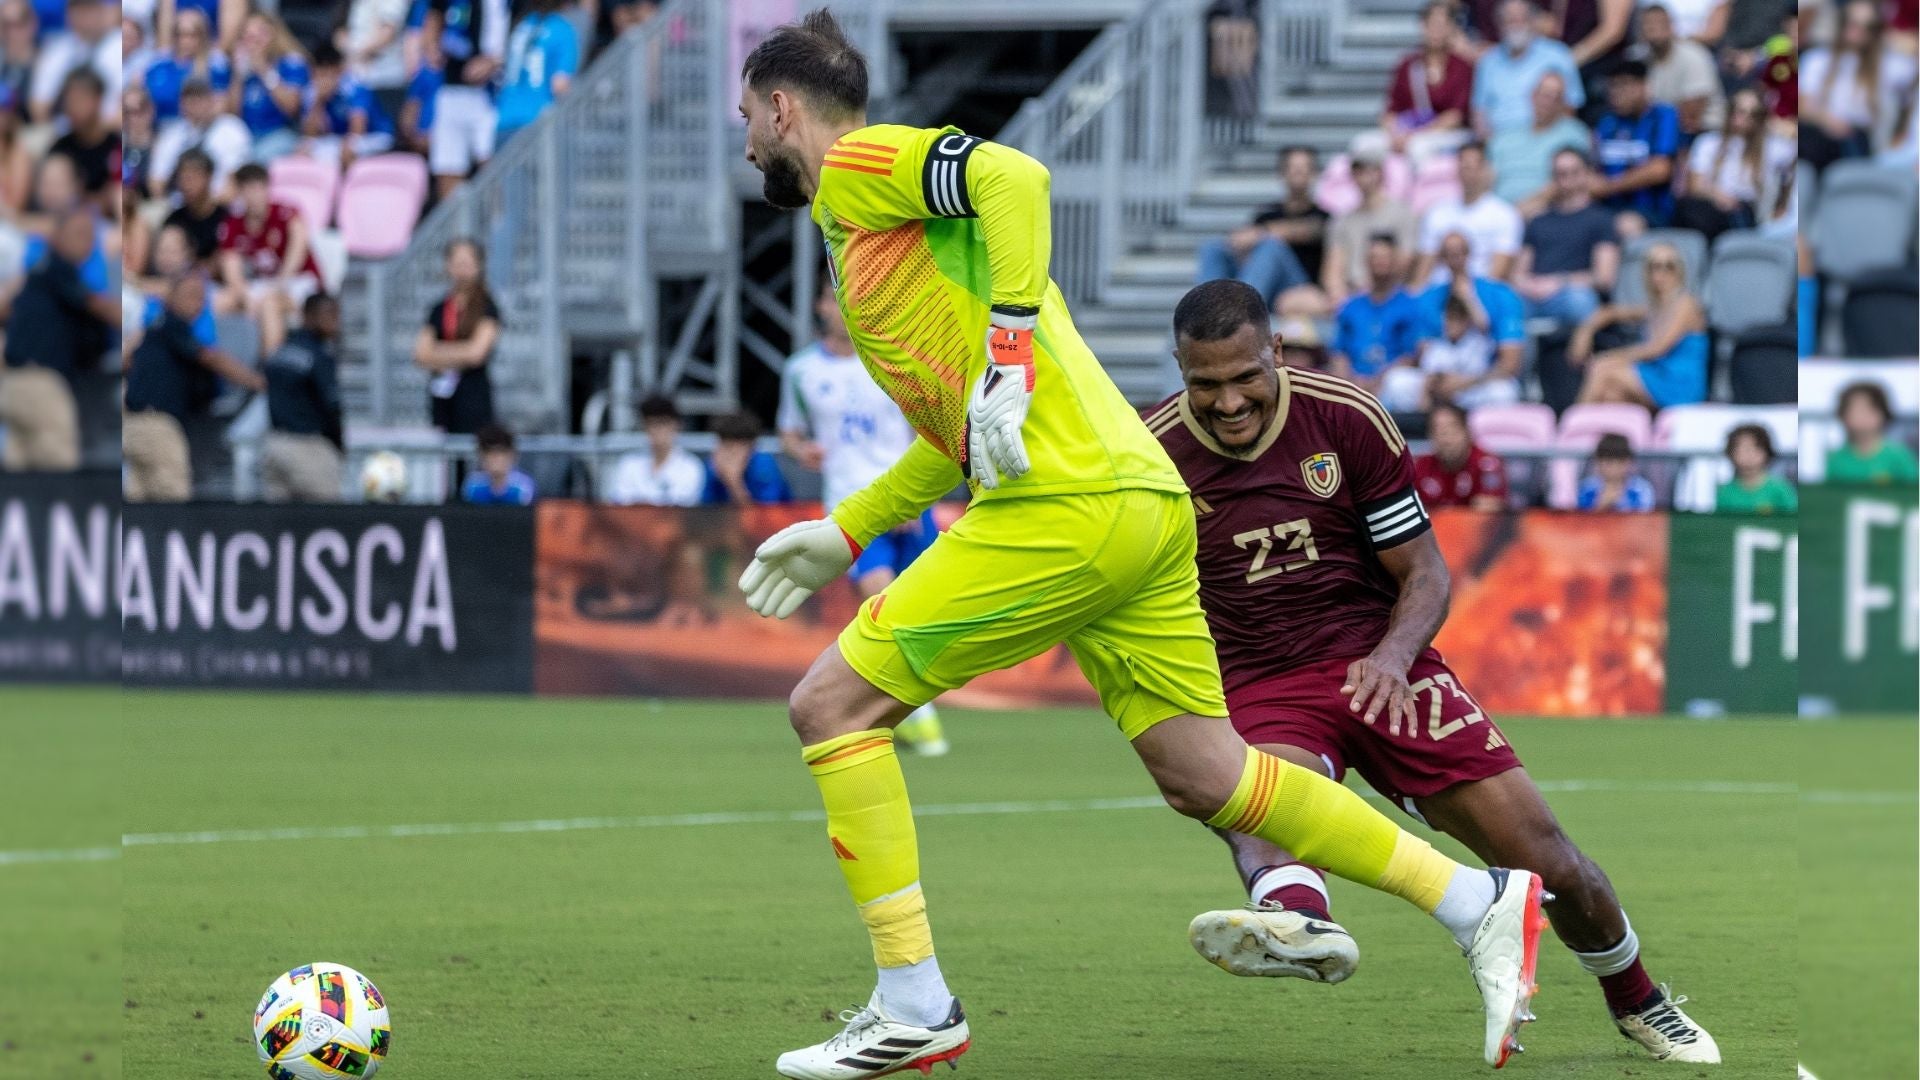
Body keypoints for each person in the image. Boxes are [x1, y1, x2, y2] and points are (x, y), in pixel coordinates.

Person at [734, 14, 1546, 1076]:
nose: (746, 143)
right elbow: (965, 435)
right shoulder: (881, 241)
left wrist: (1011, 347)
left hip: (1069, 507)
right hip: (1141, 502)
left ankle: (914, 1003)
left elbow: (1016, 175)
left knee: (831, 708)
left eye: (746, 119)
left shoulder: (857, 171)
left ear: (782, 109)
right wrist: (848, 528)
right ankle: (1477, 902)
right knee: (1210, 774)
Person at [1157, 282, 1718, 1064]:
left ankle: (1639, 1000)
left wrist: (1392, 657)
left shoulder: (1348, 418)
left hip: (1381, 660)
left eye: (1245, 377)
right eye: (1205, 384)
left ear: (1276, 352)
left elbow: (1424, 571)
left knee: (1548, 861)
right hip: (1261, 681)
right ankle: (1298, 921)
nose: (1227, 402)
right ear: (1179, 368)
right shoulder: (1148, 453)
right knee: (1255, 797)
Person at [779, 281, 951, 755]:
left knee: (925, 611)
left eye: (847, 298)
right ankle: (920, 720)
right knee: (881, 603)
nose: (840, 307)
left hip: (909, 499)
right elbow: (789, 431)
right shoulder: (801, 370)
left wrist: (911, 496)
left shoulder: (892, 357)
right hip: (852, 505)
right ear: (819, 306)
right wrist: (801, 450)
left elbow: (925, 424)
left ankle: (904, 707)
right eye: (831, 298)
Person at [123, 271, 265, 501]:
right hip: (156, 424)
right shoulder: (171, 323)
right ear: (171, 296)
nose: (197, 303)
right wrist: (255, 381)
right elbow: (210, 358)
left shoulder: (156, 328)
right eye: (190, 295)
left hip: (138, 424)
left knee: (140, 499)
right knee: (172, 496)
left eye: (201, 297)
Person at [0, 212, 119, 470]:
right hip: (40, 383)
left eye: (91, 237)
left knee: (18, 475)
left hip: (14, 384)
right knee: (59, 468)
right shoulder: (56, 267)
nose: (86, 243)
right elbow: (94, 304)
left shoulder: (43, 274)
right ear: (57, 236)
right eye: (79, 234)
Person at [1569, 241, 1707, 407]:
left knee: (1602, 368)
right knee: (1610, 394)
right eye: (1654, 266)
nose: (1661, 273)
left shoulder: (1686, 305)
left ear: (1680, 270)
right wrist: (1586, 330)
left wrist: (1609, 357)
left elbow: (1657, 349)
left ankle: (1572, 420)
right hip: (1658, 376)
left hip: (1678, 385)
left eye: (1669, 266)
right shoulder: (1654, 309)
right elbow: (1610, 313)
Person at [1196, 147, 1327, 315]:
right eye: (1293, 168)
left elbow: (1310, 230)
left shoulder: (1323, 216)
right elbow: (1247, 253)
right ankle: (1206, 314)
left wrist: (1261, 233)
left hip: (1298, 288)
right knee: (1213, 247)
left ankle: (1242, 313)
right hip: (1264, 285)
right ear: (1282, 173)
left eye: (1303, 168)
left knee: (1271, 246)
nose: (1298, 173)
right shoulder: (1266, 215)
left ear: (1314, 173)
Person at [216, 163, 323, 356]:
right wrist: (245, 298)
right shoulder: (233, 224)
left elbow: (297, 253)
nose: (253, 196)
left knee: (269, 303)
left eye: (258, 189)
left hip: (299, 282)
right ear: (239, 193)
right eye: (247, 190)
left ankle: (272, 367)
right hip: (264, 283)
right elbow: (231, 271)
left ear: (267, 188)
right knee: (221, 301)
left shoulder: (287, 213)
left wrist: (279, 285)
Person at [1800, 0, 1918, 168]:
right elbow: (1803, 105)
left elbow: (1912, 71)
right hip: (1820, 131)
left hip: (1858, 138)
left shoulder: (1886, 66)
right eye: (1852, 23)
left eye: (1868, 26)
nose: (1857, 32)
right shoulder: (1818, 58)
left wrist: (1891, 38)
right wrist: (1827, 120)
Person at [1513, 148, 1618, 330]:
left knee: (1580, 301)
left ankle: (1581, 349)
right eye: (1560, 173)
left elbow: (1604, 278)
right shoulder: (1538, 220)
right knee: (1506, 304)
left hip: (1570, 293)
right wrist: (1528, 285)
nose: (1567, 179)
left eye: (1573, 172)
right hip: (1533, 294)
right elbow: (1519, 271)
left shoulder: (1601, 219)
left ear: (1587, 174)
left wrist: (1558, 283)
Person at [1671, 87, 1794, 240]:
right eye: (1738, 110)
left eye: (1753, 113)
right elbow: (1695, 186)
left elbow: (1795, 164)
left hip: (1744, 209)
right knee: (1689, 209)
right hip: (1710, 202)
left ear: (1760, 117)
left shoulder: (1772, 147)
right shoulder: (1708, 142)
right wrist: (1717, 196)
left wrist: (1782, 204)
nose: (1742, 118)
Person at [261, 292, 345, 502]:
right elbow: (332, 405)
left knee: (279, 520)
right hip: (309, 448)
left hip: (275, 444)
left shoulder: (281, 351)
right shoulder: (319, 356)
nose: (335, 321)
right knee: (323, 518)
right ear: (309, 316)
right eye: (329, 314)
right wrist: (338, 443)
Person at [425, 0, 510, 198]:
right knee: (448, 167)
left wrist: (494, 61)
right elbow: (435, 13)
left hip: (492, 93)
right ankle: (457, 220)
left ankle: (499, 218)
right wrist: (431, 45)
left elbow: (519, 29)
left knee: (491, 165)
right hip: (451, 89)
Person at [413, 238, 499, 433]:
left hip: (473, 398)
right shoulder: (439, 309)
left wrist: (438, 351)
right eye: (457, 263)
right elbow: (421, 353)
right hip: (442, 397)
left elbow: (476, 353)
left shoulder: (486, 307)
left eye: (467, 264)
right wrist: (462, 352)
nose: (462, 270)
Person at [1411, 141, 1522, 285]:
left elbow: (1498, 273)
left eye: (1472, 167)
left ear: (1485, 169)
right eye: (1463, 167)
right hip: (1439, 289)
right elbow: (1424, 267)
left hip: (1481, 290)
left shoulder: (1505, 215)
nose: (1467, 172)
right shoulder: (1436, 212)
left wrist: (1469, 295)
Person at [1386, 292, 1521, 411]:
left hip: (1470, 393)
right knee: (1397, 380)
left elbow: (1486, 371)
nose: (1452, 324)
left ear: (1466, 321)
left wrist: (1461, 383)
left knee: (1504, 391)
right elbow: (1430, 376)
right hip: (1439, 394)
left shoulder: (1480, 341)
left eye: (1457, 319)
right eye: (1449, 318)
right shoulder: (1437, 344)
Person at [1380, 1, 1475, 164]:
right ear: (1422, 26)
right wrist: (1394, 135)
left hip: (1446, 135)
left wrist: (1416, 134)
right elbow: (1390, 111)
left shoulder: (1462, 67)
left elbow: (1456, 117)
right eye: (1432, 24)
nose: (1436, 31)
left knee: (1419, 147)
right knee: (1366, 146)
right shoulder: (1407, 65)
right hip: (1407, 132)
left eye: (1442, 25)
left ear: (1452, 28)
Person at [1472, 0, 1584, 137]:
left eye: (1521, 19)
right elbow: (1479, 112)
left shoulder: (1558, 55)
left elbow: (1570, 107)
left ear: (1533, 22)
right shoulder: (1487, 62)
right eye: (1510, 20)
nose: (1516, 26)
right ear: (1499, 25)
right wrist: (1487, 143)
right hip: (1500, 140)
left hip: (1547, 137)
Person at [1590, 60, 1681, 228]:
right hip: (1605, 209)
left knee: (1625, 224)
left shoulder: (1662, 116)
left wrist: (1608, 186)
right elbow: (1593, 166)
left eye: (1623, 85)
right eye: (1612, 86)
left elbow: (1660, 169)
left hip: (1650, 211)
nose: (1616, 92)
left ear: (1643, 86)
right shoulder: (1606, 122)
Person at [1322, 149, 1418, 305]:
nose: (1363, 177)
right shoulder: (1342, 220)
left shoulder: (1402, 213)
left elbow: (1405, 261)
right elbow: (1333, 268)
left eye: (1369, 170)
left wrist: (1373, 291)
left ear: (1381, 173)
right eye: (1358, 171)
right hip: (1351, 295)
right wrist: (1338, 295)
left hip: (1389, 293)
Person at [1330, 234, 1422, 395]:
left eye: (1385, 257)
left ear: (1396, 261)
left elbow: (1412, 355)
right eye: (1374, 257)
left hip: (1390, 383)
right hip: (1353, 382)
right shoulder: (1351, 307)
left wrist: (1379, 380)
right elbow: (1339, 352)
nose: (1379, 262)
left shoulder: (1409, 306)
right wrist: (1349, 381)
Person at [1487, 70, 1592, 209]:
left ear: (1563, 103)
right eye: (1544, 95)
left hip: (1548, 210)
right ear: (1532, 95)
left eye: (1556, 98)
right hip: (1498, 211)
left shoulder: (1574, 134)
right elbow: (1487, 177)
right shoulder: (1505, 136)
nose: (1548, 102)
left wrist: (1523, 209)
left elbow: (1571, 179)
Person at [147, 78, 251, 200]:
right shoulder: (172, 135)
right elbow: (156, 181)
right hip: (178, 204)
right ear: (181, 104)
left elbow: (234, 183)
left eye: (200, 98)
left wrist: (205, 207)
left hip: (219, 204)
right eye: (189, 99)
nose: (194, 105)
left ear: (212, 100)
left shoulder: (231, 129)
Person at [227, 10, 310, 161]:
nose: (254, 43)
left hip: (282, 133)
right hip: (247, 134)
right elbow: (232, 114)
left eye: (259, 37)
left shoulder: (291, 63)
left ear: (274, 34)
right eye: (248, 38)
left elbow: (292, 107)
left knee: (256, 159)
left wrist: (264, 70)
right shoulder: (244, 69)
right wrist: (238, 77)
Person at [494, 0, 578, 145]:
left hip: (503, 117)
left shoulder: (522, 24)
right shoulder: (563, 29)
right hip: (536, 122)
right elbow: (560, 85)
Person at [299, 42, 395, 168]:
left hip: (375, 135)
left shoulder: (355, 87)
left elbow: (358, 128)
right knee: (303, 150)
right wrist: (319, 101)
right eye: (321, 74)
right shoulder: (312, 91)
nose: (325, 80)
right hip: (340, 138)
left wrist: (345, 144)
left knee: (347, 150)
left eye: (330, 74)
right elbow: (309, 134)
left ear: (340, 70)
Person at [1634, 4, 1724, 137]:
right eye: (1648, 24)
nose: (1653, 28)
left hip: (1703, 132)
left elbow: (1691, 117)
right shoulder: (1637, 58)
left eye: (1659, 23)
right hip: (1655, 128)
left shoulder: (1694, 54)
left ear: (1671, 26)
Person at [27, 0, 119, 126]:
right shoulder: (57, 50)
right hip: (63, 130)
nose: (84, 17)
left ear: (102, 11)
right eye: (77, 10)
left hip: (109, 130)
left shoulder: (118, 45)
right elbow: (38, 105)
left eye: (89, 9)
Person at [604, 393, 704, 505]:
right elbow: (619, 505)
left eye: (662, 423)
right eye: (651, 423)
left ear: (676, 425)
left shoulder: (690, 467)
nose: (656, 430)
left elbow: (683, 509)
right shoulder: (629, 464)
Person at [1413, 400, 1508, 510]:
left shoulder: (1487, 463)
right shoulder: (1421, 466)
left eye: (1452, 429)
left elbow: (1489, 507)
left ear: (1467, 432)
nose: (1446, 438)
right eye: (1438, 431)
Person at [144, 6, 230, 121]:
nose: (185, 41)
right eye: (180, 34)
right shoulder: (158, 64)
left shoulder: (216, 64)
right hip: (160, 125)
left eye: (192, 35)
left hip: (201, 125)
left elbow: (221, 106)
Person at [1826, 381, 1920, 484]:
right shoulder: (1836, 460)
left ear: (1883, 413)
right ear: (1843, 416)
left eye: (1869, 410)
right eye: (1855, 410)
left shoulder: (1900, 456)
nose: (1862, 417)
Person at [47, 69, 118, 202]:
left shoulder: (116, 146)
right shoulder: (61, 149)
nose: (71, 108)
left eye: (78, 100)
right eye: (68, 101)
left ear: (98, 99)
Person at [334, 0, 410, 123]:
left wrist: (353, 52)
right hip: (358, 78)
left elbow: (387, 34)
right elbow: (342, 27)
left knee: (383, 130)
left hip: (385, 81)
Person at [702, 411, 793, 505]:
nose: (728, 455)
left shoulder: (764, 466)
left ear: (751, 447)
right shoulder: (713, 466)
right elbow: (706, 508)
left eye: (734, 449)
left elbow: (767, 511)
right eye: (726, 446)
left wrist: (735, 483)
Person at [157, 149, 230, 265]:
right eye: (183, 178)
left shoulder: (226, 218)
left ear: (209, 177)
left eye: (192, 178)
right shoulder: (174, 220)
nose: (187, 185)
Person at [1714, 422, 1797, 513]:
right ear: (1731, 454)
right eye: (1742, 449)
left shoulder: (1781, 489)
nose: (1749, 455)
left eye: (1755, 448)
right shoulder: (1725, 493)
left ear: (1767, 452)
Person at [1575, 432, 1657, 510]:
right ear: (1598, 462)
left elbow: (1645, 516)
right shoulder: (1587, 489)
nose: (1614, 468)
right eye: (1609, 463)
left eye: (1620, 462)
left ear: (1630, 462)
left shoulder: (1641, 489)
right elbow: (1581, 517)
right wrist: (1601, 505)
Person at [461, 422, 536, 505]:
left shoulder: (523, 486)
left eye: (500, 452)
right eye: (489, 453)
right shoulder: (473, 485)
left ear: (512, 455)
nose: (494, 459)